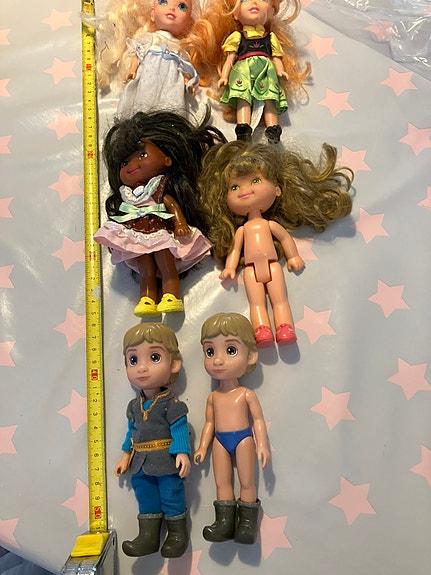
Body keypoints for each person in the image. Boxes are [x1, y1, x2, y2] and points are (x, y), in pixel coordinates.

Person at [198, 140, 353, 346]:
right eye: (234, 187)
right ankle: (262, 330)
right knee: (256, 303)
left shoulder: (270, 225)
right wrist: (230, 268)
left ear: (277, 190)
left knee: (280, 299)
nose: (244, 190)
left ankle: (285, 327)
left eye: (255, 181)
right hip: (251, 270)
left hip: (272, 266)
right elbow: (235, 249)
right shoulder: (242, 230)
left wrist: (293, 256)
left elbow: (285, 238)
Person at [94, 109, 226, 317]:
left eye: (142, 155)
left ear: (167, 160)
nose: (132, 165)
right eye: (124, 163)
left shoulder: (158, 189)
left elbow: (172, 206)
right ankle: (147, 298)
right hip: (137, 236)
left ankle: (171, 296)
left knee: (166, 264)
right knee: (145, 267)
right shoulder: (128, 195)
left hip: (159, 233)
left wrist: (180, 223)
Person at [184, 0, 311, 142]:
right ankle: (243, 127)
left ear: (272, 11)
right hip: (243, 70)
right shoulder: (237, 37)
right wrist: (224, 76)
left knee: (269, 98)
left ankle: (273, 128)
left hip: (266, 70)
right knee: (243, 98)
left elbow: (277, 57)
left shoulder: (270, 38)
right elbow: (230, 58)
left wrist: (280, 71)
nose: (254, 2)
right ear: (236, 14)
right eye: (244, 0)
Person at [115, 322, 191, 558]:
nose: (142, 367)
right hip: (139, 463)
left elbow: (179, 428)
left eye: (154, 357)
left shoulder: (171, 404)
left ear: (174, 364)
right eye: (133, 360)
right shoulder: (133, 406)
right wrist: (125, 456)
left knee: (171, 494)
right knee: (144, 494)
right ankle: (148, 536)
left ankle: (177, 534)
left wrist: (182, 452)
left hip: (166, 461)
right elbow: (132, 431)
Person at [194, 312, 270, 544]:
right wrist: (202, 447)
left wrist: (262, 445)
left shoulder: (246, 394)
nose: (218, 360)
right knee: (222, 482)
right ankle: (224, 523)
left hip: (243, 439)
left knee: (247, 481)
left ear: (251, 356)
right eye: (210, 351)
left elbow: (258, 420)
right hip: (219, 440)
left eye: (230, 350)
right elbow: (209, 423)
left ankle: (247, 525)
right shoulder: (213, 397)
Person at [90, 0, 202, 118]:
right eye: (163, 2)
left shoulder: (179, 48)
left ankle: (166, 122)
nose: (172, 9)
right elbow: (139, 54)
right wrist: (132, 69)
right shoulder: (150, 38)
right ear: (152, 14)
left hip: (171, 83)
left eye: (182, 6)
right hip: (149, 79)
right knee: (144, 100)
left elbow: (184, 68)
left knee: (170, 105)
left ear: (188, 22)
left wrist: (187, 82)